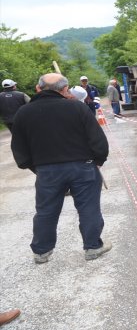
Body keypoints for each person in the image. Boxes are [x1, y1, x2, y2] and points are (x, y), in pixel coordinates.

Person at [10, 73, 112, 263]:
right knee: (88, 208)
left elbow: (19, 148)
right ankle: (92, 247)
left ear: (38, 88)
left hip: (47, 170)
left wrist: (34, 167)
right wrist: (99, 159)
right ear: (65, 90)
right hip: (83, 166)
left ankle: (41, 252)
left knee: (46, 210)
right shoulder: (77, 108)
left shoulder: (24, 113)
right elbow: (98, 139)